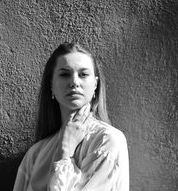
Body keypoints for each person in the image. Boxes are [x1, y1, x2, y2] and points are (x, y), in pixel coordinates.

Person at [13, 42, 129, 191]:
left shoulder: (108, 141)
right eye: (65, 74)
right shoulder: (35, 154)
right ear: (51, 85)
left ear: (95, 84)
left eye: (83, 74)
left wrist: (65, 154)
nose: (74, 82)